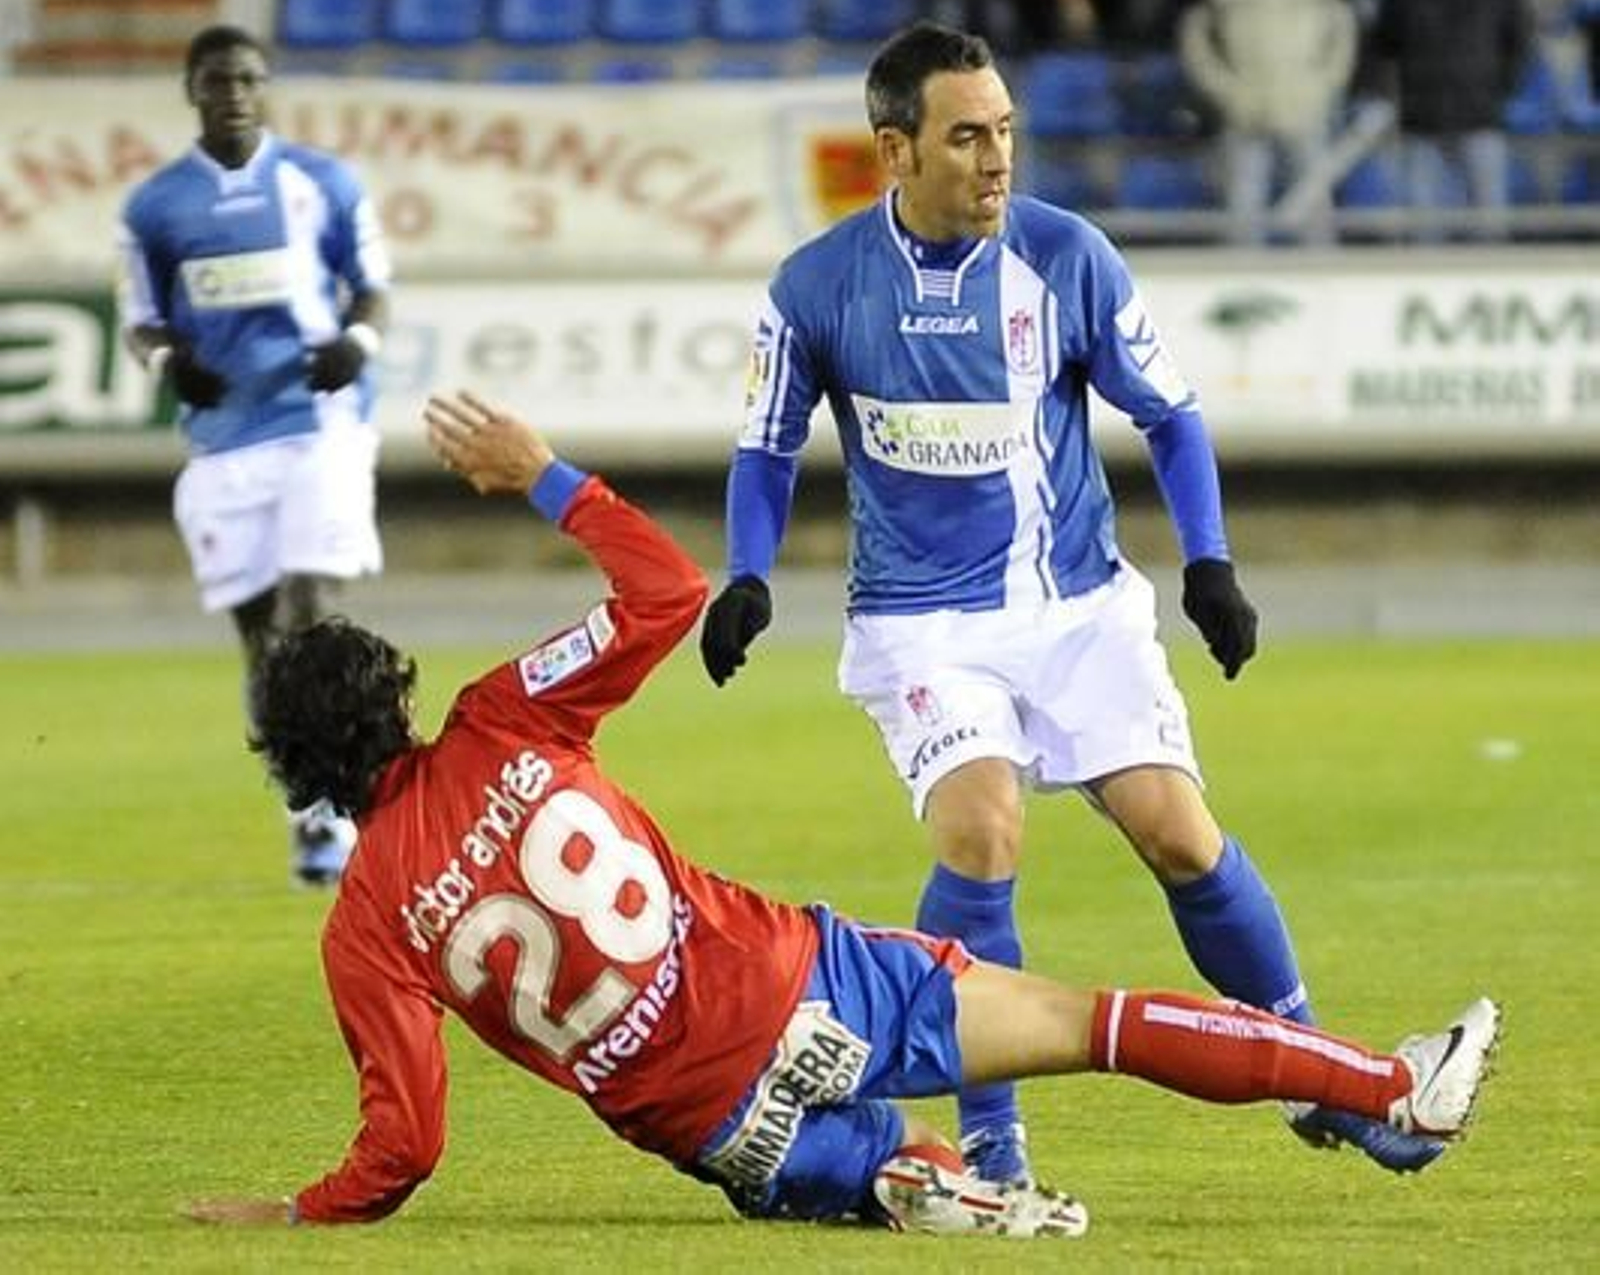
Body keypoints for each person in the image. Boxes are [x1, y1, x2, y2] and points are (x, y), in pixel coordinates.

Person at [184, 392, 1499, 1236]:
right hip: (788, 984)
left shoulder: (363, 928)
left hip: (699, 1122)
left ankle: (900, 1178)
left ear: (290, 767)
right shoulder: (500, 720)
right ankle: (1392, 1085)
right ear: (394, 697)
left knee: (818, 1170)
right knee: (1088, 1023)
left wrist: (299, 1215)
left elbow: (404, 1145)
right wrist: (547, 477)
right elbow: (663, 594)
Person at [698, 20, 1445, 1184]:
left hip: (1075, 605)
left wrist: (1209, 563)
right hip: (921, 622)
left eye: (1004, 132)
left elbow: (1172, 415)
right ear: (893, 152)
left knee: (1179, 836)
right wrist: (745, 573)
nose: (997, 160)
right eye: (965, 138)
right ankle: (996, 1144)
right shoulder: (816, 288)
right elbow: (764, 447)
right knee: (983, 828)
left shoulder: (1065, 257)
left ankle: (1319, 1081)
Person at [115, 23, 393, 885]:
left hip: (322, 422)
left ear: (265, 87)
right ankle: (308, 809)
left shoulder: (322, 182)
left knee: (314, 606)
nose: (234, 93)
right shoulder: (154, 207)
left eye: (248, 79)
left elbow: (374, 287)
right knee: (262, 649)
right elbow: (139, 319)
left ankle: (361, 806)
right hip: (224, 444)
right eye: (217, 80)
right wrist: (168, 362)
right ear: (192, 91)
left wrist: (357, 344)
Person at [1178, 0, 1359, 245]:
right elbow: (1196, 38)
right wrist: (1228, 92)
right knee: (1243, 202)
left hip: (1305, 109)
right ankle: (1242, 275)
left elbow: (1342, 34)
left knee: (1315, 205)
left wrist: (1322, 88)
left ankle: (1324, 274)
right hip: (1246, 112)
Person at [1368, 0, 1537, 242]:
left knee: (1489, 222)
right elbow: (1383, 44)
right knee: (1422, 225)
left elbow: (1520, 43)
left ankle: (1489, 278)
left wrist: (1498, 89)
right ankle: (1424, 278)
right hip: (1421, 119)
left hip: (1481, 115)